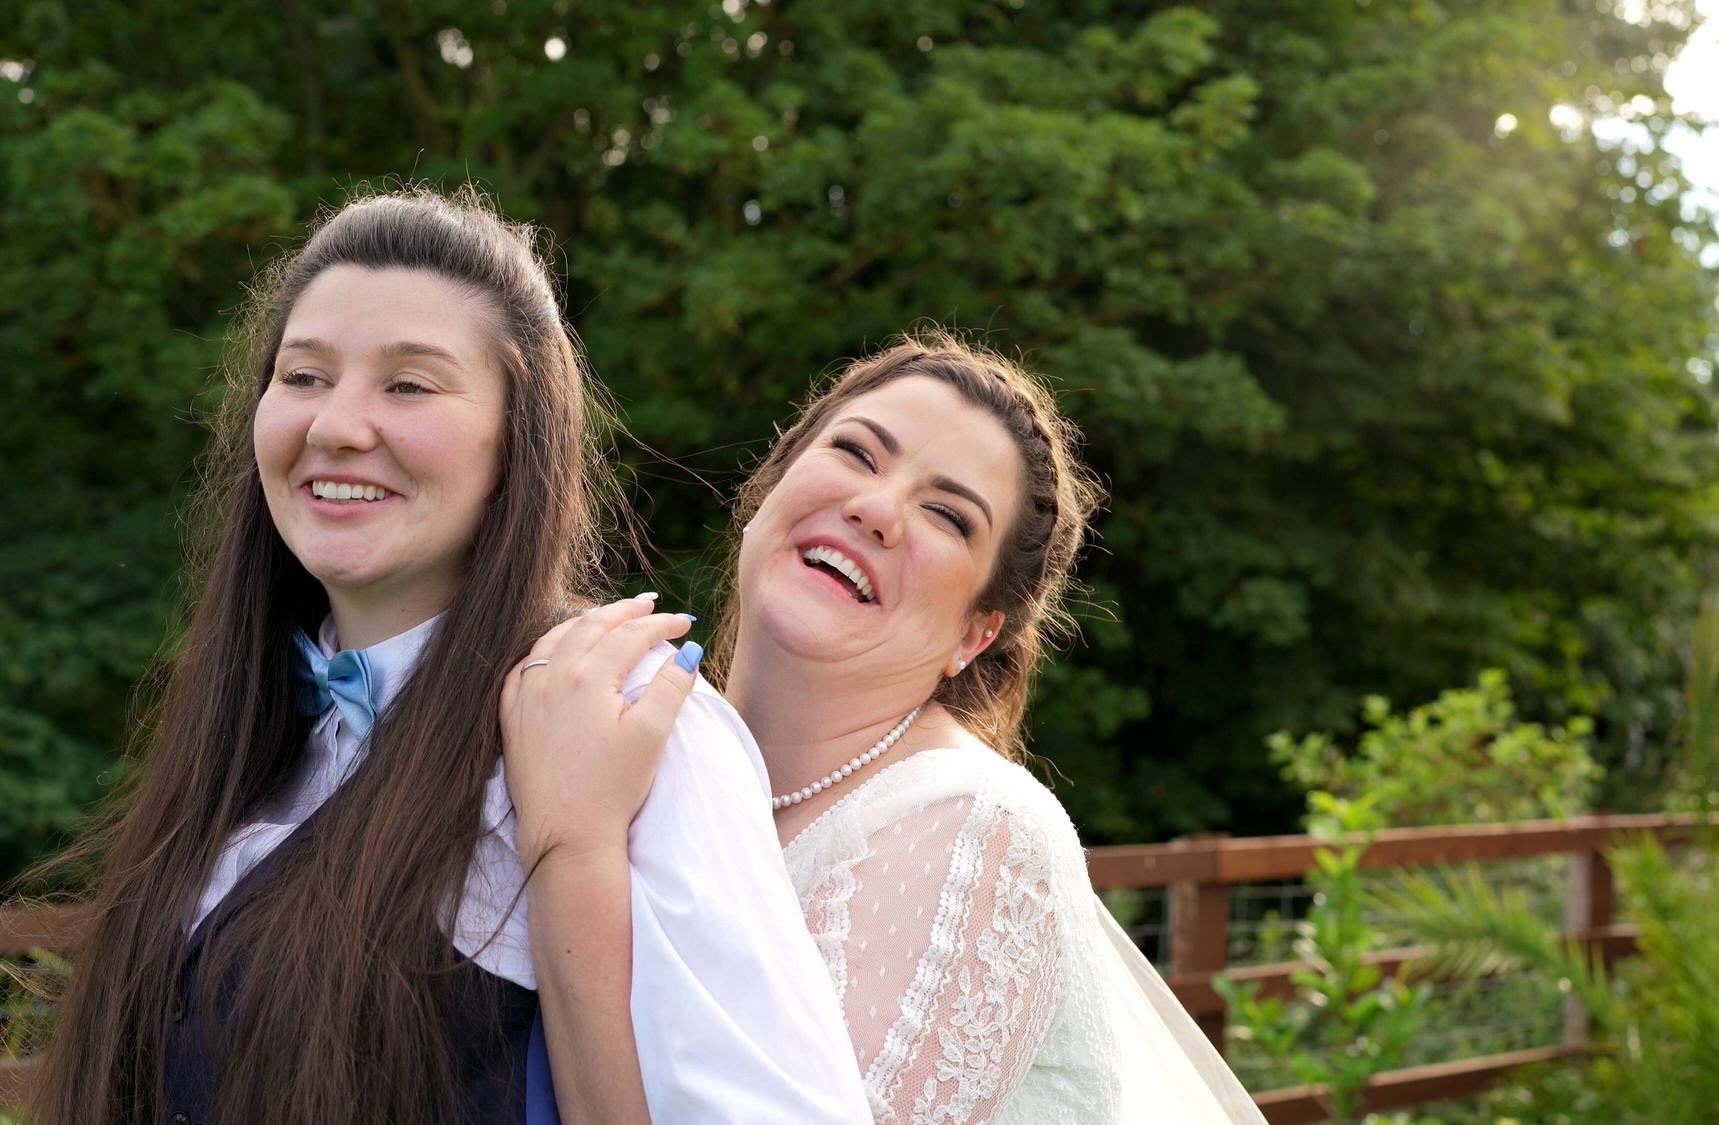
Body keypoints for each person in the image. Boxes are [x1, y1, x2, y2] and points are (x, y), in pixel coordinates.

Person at [24, 188, 868, 1125]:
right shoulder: (256, 728)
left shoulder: (620, 710)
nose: (336, 425)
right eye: (303, 376)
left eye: (409, 385)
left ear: (519, 438)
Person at [507, 334, 1264, 1122]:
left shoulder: (978, 830)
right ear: (768, 487)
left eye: (947, 514)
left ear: (975, 633)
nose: (875, 509)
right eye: (856, 453)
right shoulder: (628, 748)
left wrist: (573, 844)